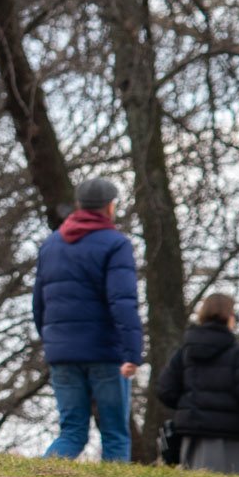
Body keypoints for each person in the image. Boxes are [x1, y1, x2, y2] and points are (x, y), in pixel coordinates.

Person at [33, 177, 143, 462]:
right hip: (104, 352)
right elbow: (123, 302)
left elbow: (39, 304)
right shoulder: (116, 244)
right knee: (115, 433)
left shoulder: (51, 245)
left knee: (71, 432)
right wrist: (132, 352)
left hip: (62, 353)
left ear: (79, 206)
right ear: (109, 207)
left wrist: (52, 343)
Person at [157, 294, 239, 473]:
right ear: (229, 317)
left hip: (192, 434)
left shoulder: (185, 352)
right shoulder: (237, 354)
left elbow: (166, 389)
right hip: (230, 436)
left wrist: (188, 405)